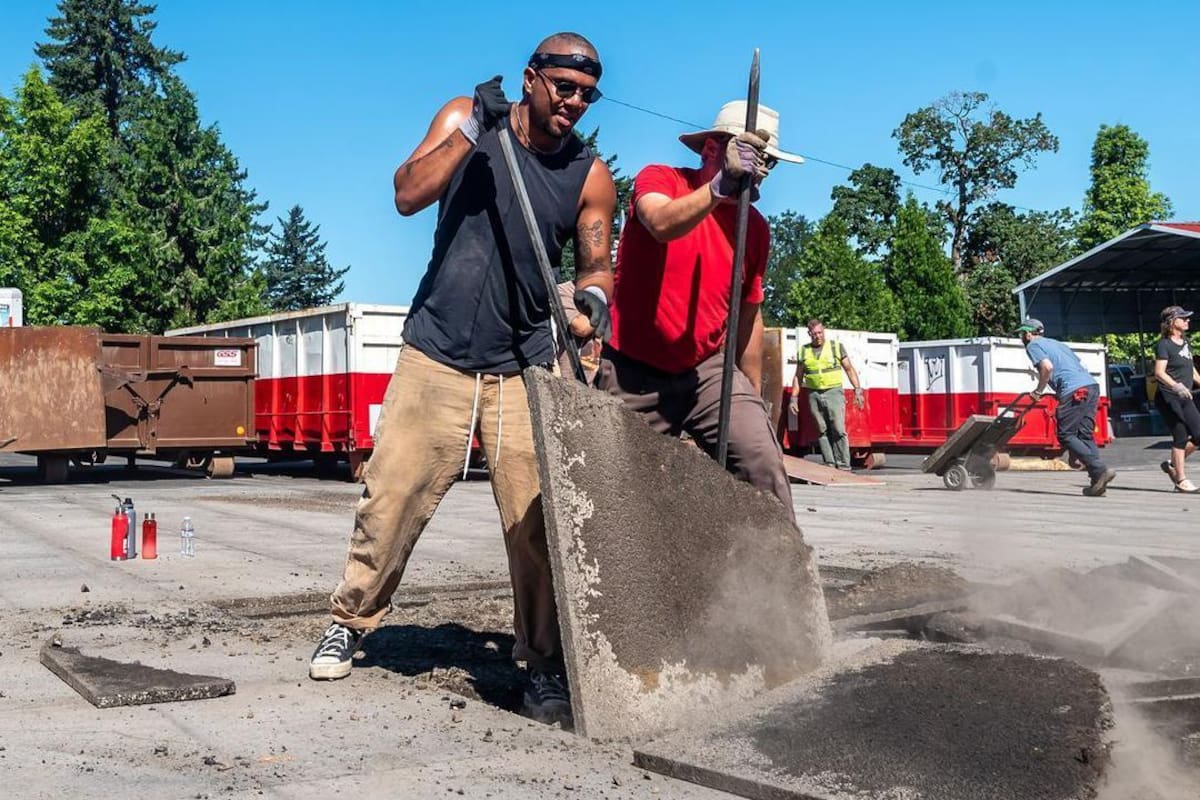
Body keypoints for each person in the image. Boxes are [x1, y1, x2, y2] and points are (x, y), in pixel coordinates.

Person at [308, 33, 617, 729]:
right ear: (532, 79)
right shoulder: (466, 121)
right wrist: (474, 129)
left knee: (537, 524)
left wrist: (592, 304)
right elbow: (406, 194)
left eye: (587, 95)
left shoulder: (589, 174)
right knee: (390, 498)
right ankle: (349, 622)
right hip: (437, 351)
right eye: (563, 88)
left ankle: (541, 664)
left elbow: (598, 265)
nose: (574, 104)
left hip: (525, 365)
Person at [595, 100, 803, 521]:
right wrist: (719, 187)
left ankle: (778, 577)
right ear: (712, 150)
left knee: (760, 460)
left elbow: (748, 318)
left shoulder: (754, 228)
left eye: (766, 162)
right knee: (612, 489)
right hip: (633, 370)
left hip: (705, 372)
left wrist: (755, 401)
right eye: (748, 155)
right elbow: (659, 222)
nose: (759, 169)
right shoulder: (662, 179)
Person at [1016, 318, 1116, 496]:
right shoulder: (1057, 344)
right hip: (1091, 387)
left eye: (1022, 334)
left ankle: (1098, 468)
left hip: (1074, 390)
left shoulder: (1033, 346)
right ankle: (1097, 481)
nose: (1021, 337)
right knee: (1085, 434)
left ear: (1028, 333)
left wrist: (1038, 391)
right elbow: (1080, 365)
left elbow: (1047, 367)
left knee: (1065, 434)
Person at [788, 319, 864, 471]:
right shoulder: (804, 351)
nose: (818, 336)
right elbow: (798, 376)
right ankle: (829, 463)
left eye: (820, 332)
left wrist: (857, 390)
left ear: (824, 331)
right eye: (814, 333)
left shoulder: (836, 347)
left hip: (833, 392)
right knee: (822, 429)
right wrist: (793, 399)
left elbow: (849, 369)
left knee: (838, 428)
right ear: (809, 334)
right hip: (813, 394)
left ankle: (843, 465)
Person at [1153, 305, 1200, 493]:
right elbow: (1159, 373)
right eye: (1184, 318)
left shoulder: (1186, 342)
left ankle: (1172, 463)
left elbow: (1192, 371)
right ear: (1172, 322)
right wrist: (1176, 386)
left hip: (1185, 396)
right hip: (1169, 397)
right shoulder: (1164, 345)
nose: (1188, 320)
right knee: (1180, 436)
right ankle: (1181, 481)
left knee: (1198, 435)